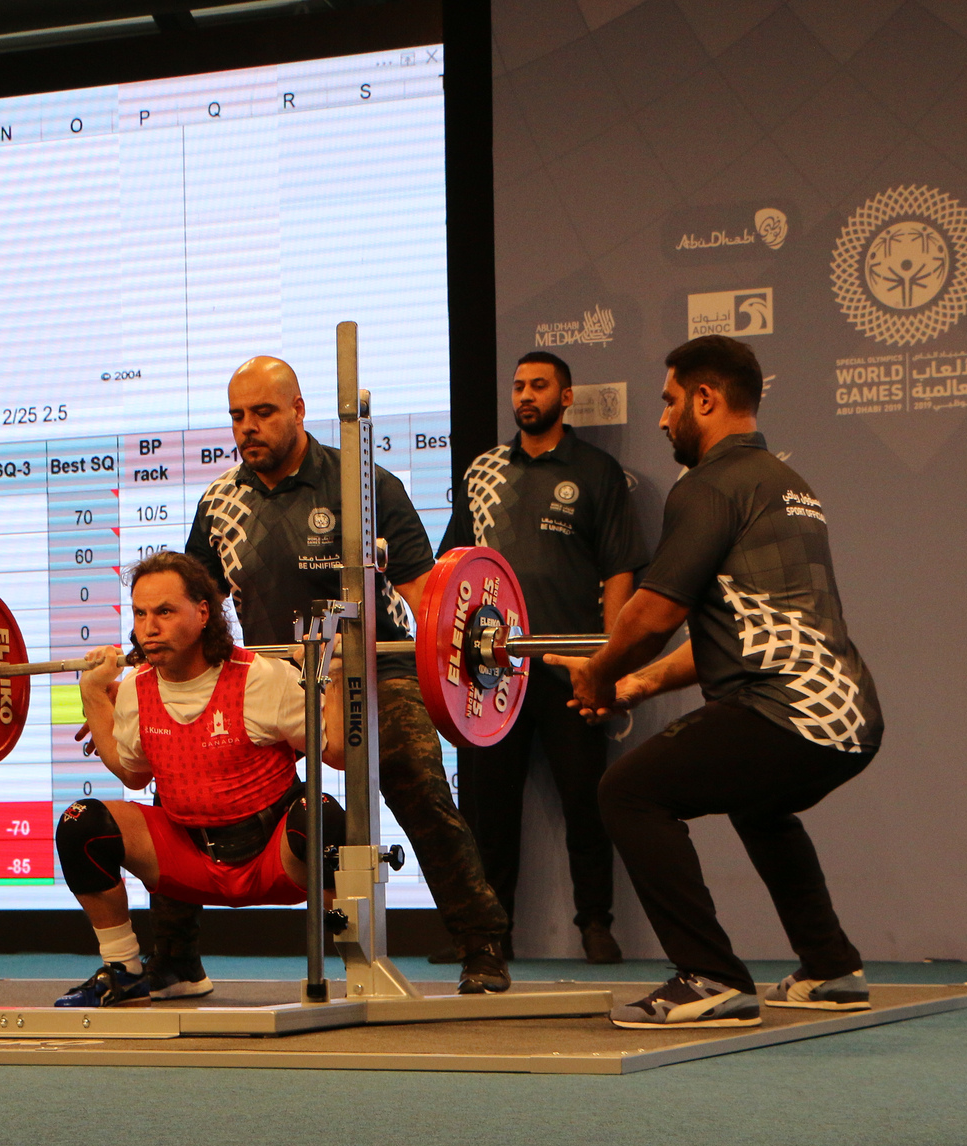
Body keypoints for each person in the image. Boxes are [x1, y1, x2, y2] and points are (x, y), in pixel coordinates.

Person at [550, 335, 883, 1028]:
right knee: (758, 803)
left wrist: (601, 673)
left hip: (784, 710)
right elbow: (737, 631)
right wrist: (638, 686)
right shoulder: (787, 483)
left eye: (671, 402)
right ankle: (830, 965)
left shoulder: (706, 486)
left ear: (707, 398)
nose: (665, 419)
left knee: (628, 791)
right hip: (852, 717)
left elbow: (653, 614)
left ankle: (709, 976)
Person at [175, 356, 514, 994]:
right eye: (237, 416)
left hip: (375, 665)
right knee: (190, 784)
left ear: (299, 410)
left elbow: (425, 594)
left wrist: (464, 671)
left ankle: (482, 943)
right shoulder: (221, 500)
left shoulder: (366, 486)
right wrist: (155, 685)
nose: (248, 428)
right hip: (273, 675)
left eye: (264, 413)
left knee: (418, 782)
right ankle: (172, 958)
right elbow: (197, 605)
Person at [51, 552, 344, 1008]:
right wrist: (93, 695)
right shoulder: (136, 688)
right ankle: (125, 969)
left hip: (272, 859)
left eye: (164, 612)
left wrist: (343, 673)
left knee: (323, 816)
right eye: (140, 613)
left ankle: (356, 961)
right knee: (79, 822)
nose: (149, 628)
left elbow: (337, 754)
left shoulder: (261, 679)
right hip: (189, 857)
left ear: (203, 613)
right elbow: (132, 773)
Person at [438, 350, 647, 964]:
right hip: (492, 668)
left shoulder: (597, 472)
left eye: (539, 386)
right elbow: (455, 564)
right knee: (487, 810)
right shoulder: (483, 471)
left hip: (570, 668)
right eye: (518, 386)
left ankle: (596, 926)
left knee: (588, 799)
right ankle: (486, 934)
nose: (525, 395)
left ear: (566, 397)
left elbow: (619, 569)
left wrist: (611, 661)